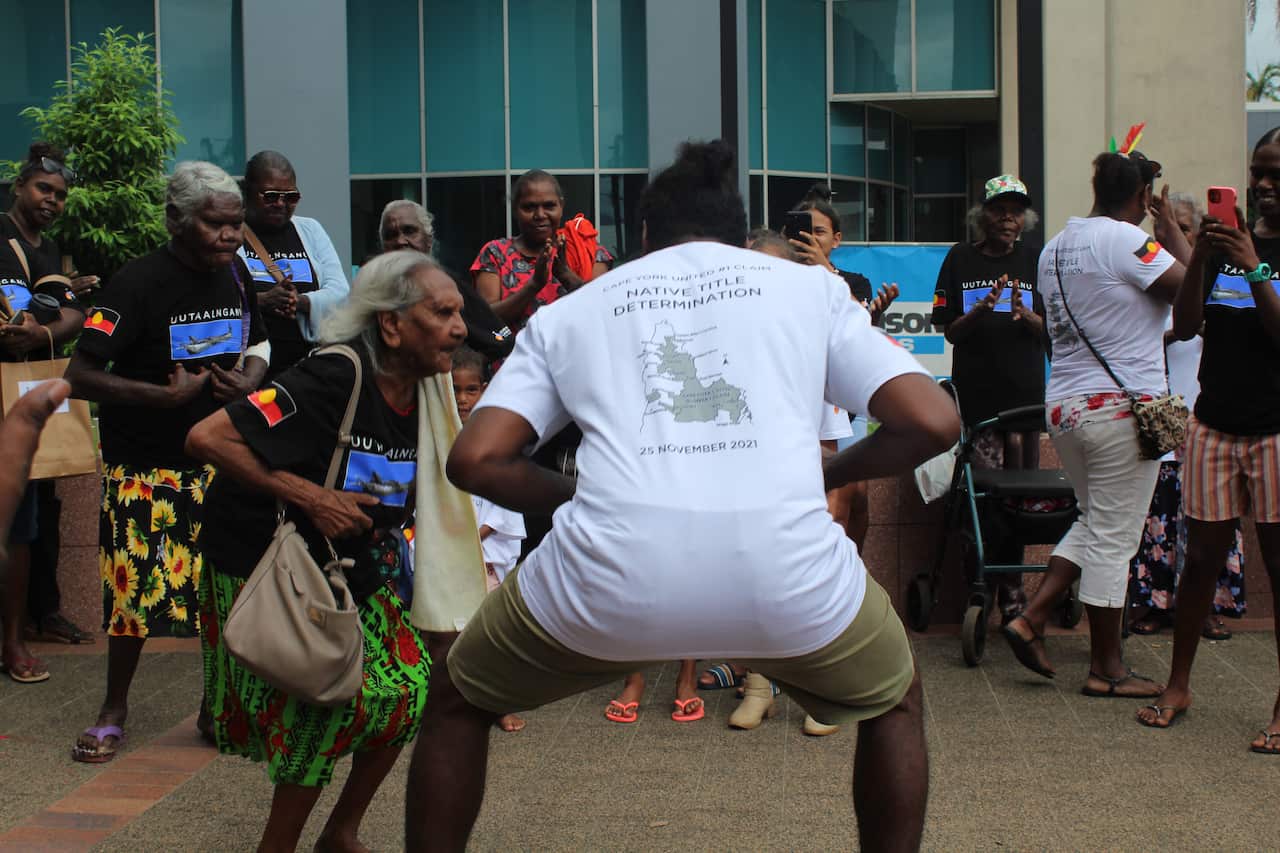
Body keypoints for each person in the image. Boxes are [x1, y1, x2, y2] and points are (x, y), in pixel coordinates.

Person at [405, 139, 960, 852]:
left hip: (604, 582)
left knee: (456, 698)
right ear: (738, 234)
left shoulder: (573, 311)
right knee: (895, 697)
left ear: (643, 238)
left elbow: (475, 459)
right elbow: (934, 420)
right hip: (787, 577)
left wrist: (581, 495)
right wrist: (820, 476)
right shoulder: (811, 288)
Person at [186, 249, 455, 852]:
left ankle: (340, 831)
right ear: (391, 323)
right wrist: (309, 495)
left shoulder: (430, 391)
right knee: (323, 704)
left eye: (458, 312)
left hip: (351, 564)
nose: (458, 328)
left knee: (409, 690)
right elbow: (207, 436)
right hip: (273, 560)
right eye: (442, 313)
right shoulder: (332, 375)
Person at [64, 161, 269, 762]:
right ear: (178, 220)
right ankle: (113, 709)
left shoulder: (235, 275)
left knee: (219, 592)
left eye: (236, 225)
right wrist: (164, 397)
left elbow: (259, 342)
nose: (230, 236)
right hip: (147, 469)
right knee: (136, 595)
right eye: (216, 225)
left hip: (220, 463)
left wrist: (249, 379)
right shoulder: (135, 284)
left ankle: (216, 708)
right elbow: (79, 375)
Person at [1002, 146, 1189, 696]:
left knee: (1094, 520)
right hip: (1121, 409)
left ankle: (1031, 617)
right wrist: (1172, 227)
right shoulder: (1130, 239)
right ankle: (1106, 668)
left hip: (1066, 407)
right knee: (1114, 538)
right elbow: (1190, 288)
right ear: (1140, 196)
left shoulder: (1055, 248)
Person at [1137, 129, 1280, 750]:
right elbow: (1189, 324)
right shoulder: (1221, 246)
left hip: (1275, 432)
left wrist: (1257, 268)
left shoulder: (1255, 254)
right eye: (1258, 171)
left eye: (1276, 172)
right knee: (1198, 562)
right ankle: (1178, 684)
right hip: (1213, 426)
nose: (1265, 182)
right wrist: (1198, 252)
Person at [1128, 194, 1245, 641]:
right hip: (1159, 410)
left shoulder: (1213, 271)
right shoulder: (1144, 267)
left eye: (1178, 226)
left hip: (1205, 409)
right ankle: (1156, 604)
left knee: (1205, 519)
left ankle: (1208, 607)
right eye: (1161, 225)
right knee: (1159, 511)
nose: (1165, 231)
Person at [930, 175, 1045, 624]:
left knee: (1020, 501)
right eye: (1000, 209)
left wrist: (1029, 317)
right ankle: (979, 587)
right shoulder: (959, 259)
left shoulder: (1036, 261)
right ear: (983, 214)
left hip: (1025, 406)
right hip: (980, 407)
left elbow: (1054, 330)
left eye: (1016, 211)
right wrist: (977, 311)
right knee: (981, 499)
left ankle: (1014, 591)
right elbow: (948, 329)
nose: (1008, 218)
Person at [1, 144, 97, 654]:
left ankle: (42, 613)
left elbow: (72, 314)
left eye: (60, 195)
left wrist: (40, 336)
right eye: (44, 189)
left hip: (31, 385)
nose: (52, 201)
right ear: (19, 186)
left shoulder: (47, 251)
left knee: (40, 504)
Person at [785, 185, 899, 554]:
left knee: (858, 494)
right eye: (804, 229)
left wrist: (826, 270)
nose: (811, 238)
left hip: (843, 405)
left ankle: (854, 570)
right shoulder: (781, 278)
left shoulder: (851, 281)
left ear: (836, 238)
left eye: (819, 231)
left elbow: (857, 323)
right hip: (802, 400)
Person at [451, 345, 527, 734]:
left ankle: (497, 704)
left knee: (490, 632)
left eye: (471, 390)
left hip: (482, 551)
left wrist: (469, 537)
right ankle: (456, 702)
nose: (462, 399)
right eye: (455, 390)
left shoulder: (498, 439)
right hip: (447, 549)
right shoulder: (438, 435)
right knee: (450, 631)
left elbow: (503, 502)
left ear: (486, 389)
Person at [238, 150, 349, 378]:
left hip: (307, 368)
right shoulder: (230, 235)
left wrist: (298, 301)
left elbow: (340, 291)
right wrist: (262, 301)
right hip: (251, 373)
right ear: (247, 192)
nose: (280, 203)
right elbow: (220, 297)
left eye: (290, 197)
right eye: (270, 195)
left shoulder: (310, 230)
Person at [471, 169, 612, 332]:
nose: (540, 215)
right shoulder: (495, 254)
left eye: (549, 206)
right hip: (512, 357)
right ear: (516, 209)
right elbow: (484, 319)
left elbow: (604, 309)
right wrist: (534, 285)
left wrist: (565, 275)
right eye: (529, 207)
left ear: (561, 206)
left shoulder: (589, 251)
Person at [381, 200, 514, 365]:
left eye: (409, 231)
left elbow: (502, 340)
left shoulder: (448, 287)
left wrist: (461, 366)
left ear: (428, 239)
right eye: (390, 235)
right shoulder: (374, 293)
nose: (400, 241)